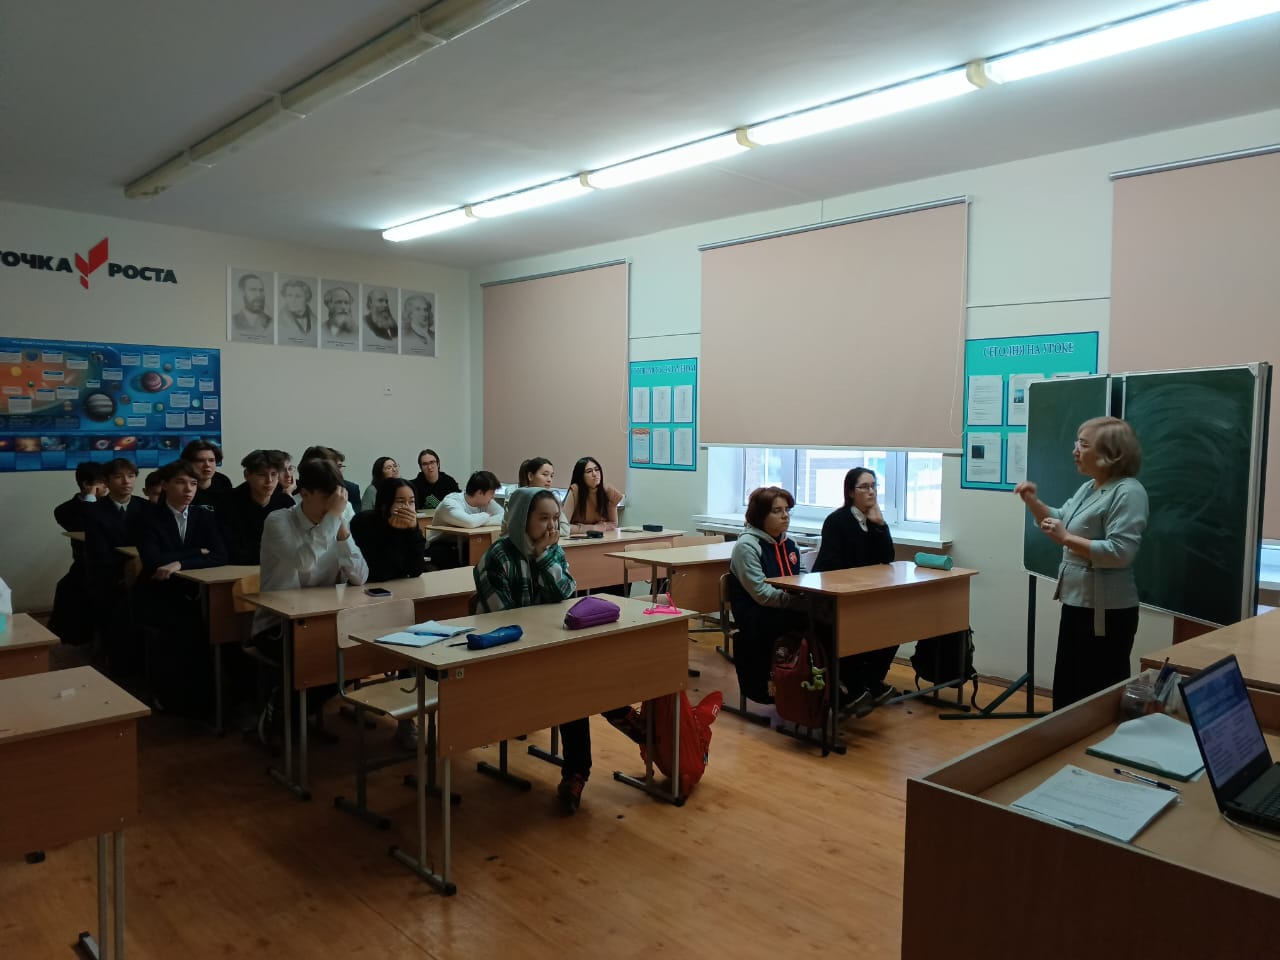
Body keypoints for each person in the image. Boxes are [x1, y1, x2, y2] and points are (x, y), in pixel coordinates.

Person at [473, 487, 642, 813]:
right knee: (572, 685)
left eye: (555, 518)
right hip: (504, 657)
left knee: (576, 681)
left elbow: (566, 592)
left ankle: (578, 771)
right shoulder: (497, 557)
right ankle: (622, 720)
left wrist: (542, 557)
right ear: (522, 519)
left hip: (546, 650)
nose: (551, 526)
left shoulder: (552, 551)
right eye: (543, 519)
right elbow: (504, 619)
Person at [1015, 416, 1148, 711]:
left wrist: (1065, 538)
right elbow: (1060, 518)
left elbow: (1120, 552)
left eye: (1084, 445)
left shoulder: (1128, 492)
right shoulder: (1091, 487)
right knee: (1068, 686)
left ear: (1111, 453)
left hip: (1107, 611)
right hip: (1077, 601)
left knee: (1095, 691)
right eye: (1077, 442)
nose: (1075, 450)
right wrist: (1033, 501)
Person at [252, 458, 369, 741]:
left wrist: (343, 535)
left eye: (337, 501)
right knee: (319, 657)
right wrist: (332, 520)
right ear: (304, 494)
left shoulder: (336, 521)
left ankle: (292, 716)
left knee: (355, 656)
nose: (333, 508)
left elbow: (360, 577)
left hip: (323, 620)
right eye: (328, 500)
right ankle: (279, 718)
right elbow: (303, 561)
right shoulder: (278, 521)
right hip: (276, 625)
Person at [135, 460, 229, 712]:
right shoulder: (146, 516)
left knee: (213, 630)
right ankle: (166, 695)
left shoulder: (204, 515)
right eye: (180, 482)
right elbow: (153, 560)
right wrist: (197, 552)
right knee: (173, 636)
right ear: (165, 485)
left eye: (193, 483)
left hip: (195, 593)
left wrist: (180, 562)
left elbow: (221, 556)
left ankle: (203, 699)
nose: (188, 489)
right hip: (158, 593)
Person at [813, 468, 898, 716]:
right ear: (851, 492)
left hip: (864, 594)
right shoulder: (837, 521)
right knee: (858, 627)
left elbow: (887, 557)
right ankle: (853, 684)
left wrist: (880, 526)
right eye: (864, 487)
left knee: (895, 625)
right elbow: (834, 565)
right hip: (834, 596)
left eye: (874, 486)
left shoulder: (873, 519)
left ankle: (871, 680)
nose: (871, 492)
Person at [727, 486, 808, 707]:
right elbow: (762, 595)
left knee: (831, 618)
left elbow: (803, 577)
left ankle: (828, 684)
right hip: (757, 614)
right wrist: (800, 604)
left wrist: (810, 596)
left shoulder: (790, 544)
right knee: (818, 622)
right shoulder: (747, 546)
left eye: (787, 510)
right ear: (761, 515)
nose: (785, 516)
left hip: (784, 609)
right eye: (777, 511)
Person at [50, 461, 105, 646]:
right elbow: (85, 528)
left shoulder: (110, 505)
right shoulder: (64, 509)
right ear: (86, 484)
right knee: (67, 587)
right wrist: (90, 499)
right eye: (101, 482)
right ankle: (69, 638)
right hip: (84, 562)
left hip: (108, 561)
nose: (106, 487)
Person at [217, 449, 295, 565]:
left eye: (274, 474)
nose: (269, 481)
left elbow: (293, 544)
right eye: (262, 475)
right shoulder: (227, 503)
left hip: (278, 566)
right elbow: (231, 550)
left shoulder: (286, 503)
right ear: (247, 475)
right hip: (238, 567)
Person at [350, 479, 427, 582]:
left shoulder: (411, 525)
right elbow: (380, 573)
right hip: (368, 586)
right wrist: (394, 533)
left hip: (400, 586)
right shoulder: (364, 522)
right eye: (400, 501)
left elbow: (416, 570)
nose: (407, 507)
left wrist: (413, 532)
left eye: (411, 502)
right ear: (385, 505)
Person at [427, 470, 503, 568]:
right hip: (440, 545)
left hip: (465, 544)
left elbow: (504, 517)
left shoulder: (486, 502)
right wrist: (486, 515)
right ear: (480, 493)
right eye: (491, 493)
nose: (493, 497)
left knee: (486, 558)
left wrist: (481, 521)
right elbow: (470, 523)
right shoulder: (450, 502)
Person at [501, 457, 568, 535]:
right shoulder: (518, 498)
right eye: (545, 474)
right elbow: (510, 531)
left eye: (551, 476)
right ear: (530, 476)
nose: (549, 480)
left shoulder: (551, 499)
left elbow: (565, 530)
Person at [562, 456, 623, 534]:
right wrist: (592, 528)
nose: (594, 474)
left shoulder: (608, 490)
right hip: (578, 538)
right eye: (589, 471)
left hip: (601, 537)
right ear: (581, 476)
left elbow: (613, 523)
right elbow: (564, 527)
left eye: (597, 469)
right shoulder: (575, 490)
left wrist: (600, 527)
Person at [182, 439, 233, 507]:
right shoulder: (181, 485)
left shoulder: (223, 481)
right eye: (200, 460)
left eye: (211, 460)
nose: (207, 465)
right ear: (189, 463)